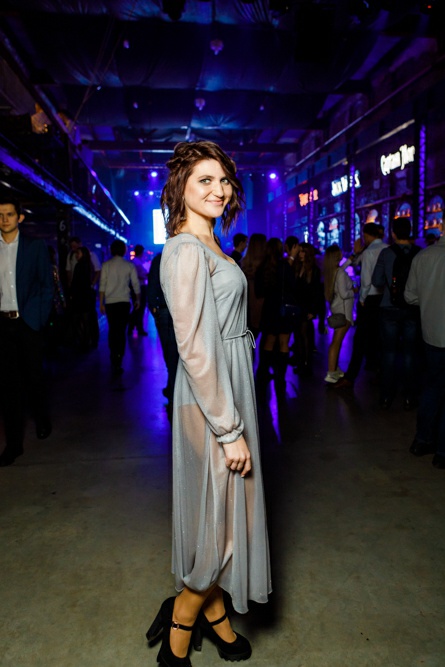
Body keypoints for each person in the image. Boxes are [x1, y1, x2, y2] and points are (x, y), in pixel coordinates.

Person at [146, 141, 271, 667]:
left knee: (220, 517)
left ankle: (216, 620)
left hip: (228, 386)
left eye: (223, 181)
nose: (219, 190)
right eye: (205, 180)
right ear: (180, 188)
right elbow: (195, 348)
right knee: (220, 527)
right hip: (211, 399)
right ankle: (180, 622)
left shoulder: (210, 242)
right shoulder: (185, 251)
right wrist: (229, 428)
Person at [0, 198, 53, 466]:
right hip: (2, 324)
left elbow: (46, 285)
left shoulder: (34, 247)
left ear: (19, 217)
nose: (4, 219)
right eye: (0, 215)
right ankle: (14, 444)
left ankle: (42, 418)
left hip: (28, 323)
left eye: (9, 214)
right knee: (8, 386)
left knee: (34, 378)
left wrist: (39, 319)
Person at [405, 222, 445, 469]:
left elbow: (410, 296)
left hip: (432, 334)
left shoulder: (424, 256)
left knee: (432, 388)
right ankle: (442, 451)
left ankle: (422, 440)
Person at [371, 218, 421, 409]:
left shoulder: (386, 253)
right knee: (410, 353)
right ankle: (409, 397)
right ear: (410, 231)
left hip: (389, 307)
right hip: (412, 307)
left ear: (393, 233)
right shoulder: (419, 253)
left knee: (389, 353)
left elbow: (376, 281)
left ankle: (386, 396)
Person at [335, 223, 388, 390]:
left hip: (369, 299)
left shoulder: (369, 252)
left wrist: (362, 299)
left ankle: (350, 377)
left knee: (360, 339)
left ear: (367, 235)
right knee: (380, 337)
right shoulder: (387, 249)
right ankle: (381, 373)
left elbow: (365, 280)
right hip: (384, 299)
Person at [255, 237, 297, 394]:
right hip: (283, 310)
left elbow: (259, 292)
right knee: (284, 343)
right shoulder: (284, 266)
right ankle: (281, 379)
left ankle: (263, 374)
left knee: (269, 342)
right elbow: (293, 286)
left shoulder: (263, 268)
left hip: (270, 309)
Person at [99, 240, 140, 375]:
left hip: (110, 303)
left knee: (112, 330)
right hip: (124, 302)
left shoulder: (106, 265)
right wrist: (138, 299)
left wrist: (101, 303)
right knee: (121, 330)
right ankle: (119, 358)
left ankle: (113, 356)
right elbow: (135, 284)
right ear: (123, 250)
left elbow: (102, 285)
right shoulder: (129, 265)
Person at [147, 252, 179, 407]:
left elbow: (152, 287)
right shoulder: (189, 254)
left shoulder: (160, 259)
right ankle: (175, 389)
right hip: (185, 310)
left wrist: (155, 310)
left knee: (171, 353)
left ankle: (173, 390)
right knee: (182, 354)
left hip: (166, 310)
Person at [323, 245, 356, 384]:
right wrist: (354, 291)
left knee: (336, 342)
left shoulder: (332, 271)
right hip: (343, 310)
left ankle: (334, 369)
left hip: (337, 308)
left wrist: (350, 259)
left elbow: (341, 270)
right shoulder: (340, 273)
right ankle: (331, 373)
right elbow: (344, 293)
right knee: (336, 342)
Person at [240, 232, 267, 339]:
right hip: (262, 303)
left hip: (248, 303)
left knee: (250, 339)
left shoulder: (244, 263)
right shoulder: (266, 265)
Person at [128, 244, 149, 336]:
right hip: (139, 287)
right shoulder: (137, 263)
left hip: (136, 287)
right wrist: (147, 276)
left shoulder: (135, 261)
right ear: (141, 252)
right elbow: (138, 275)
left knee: (137, 308)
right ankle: (136, 327)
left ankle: (132, 327)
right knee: (139, 308)